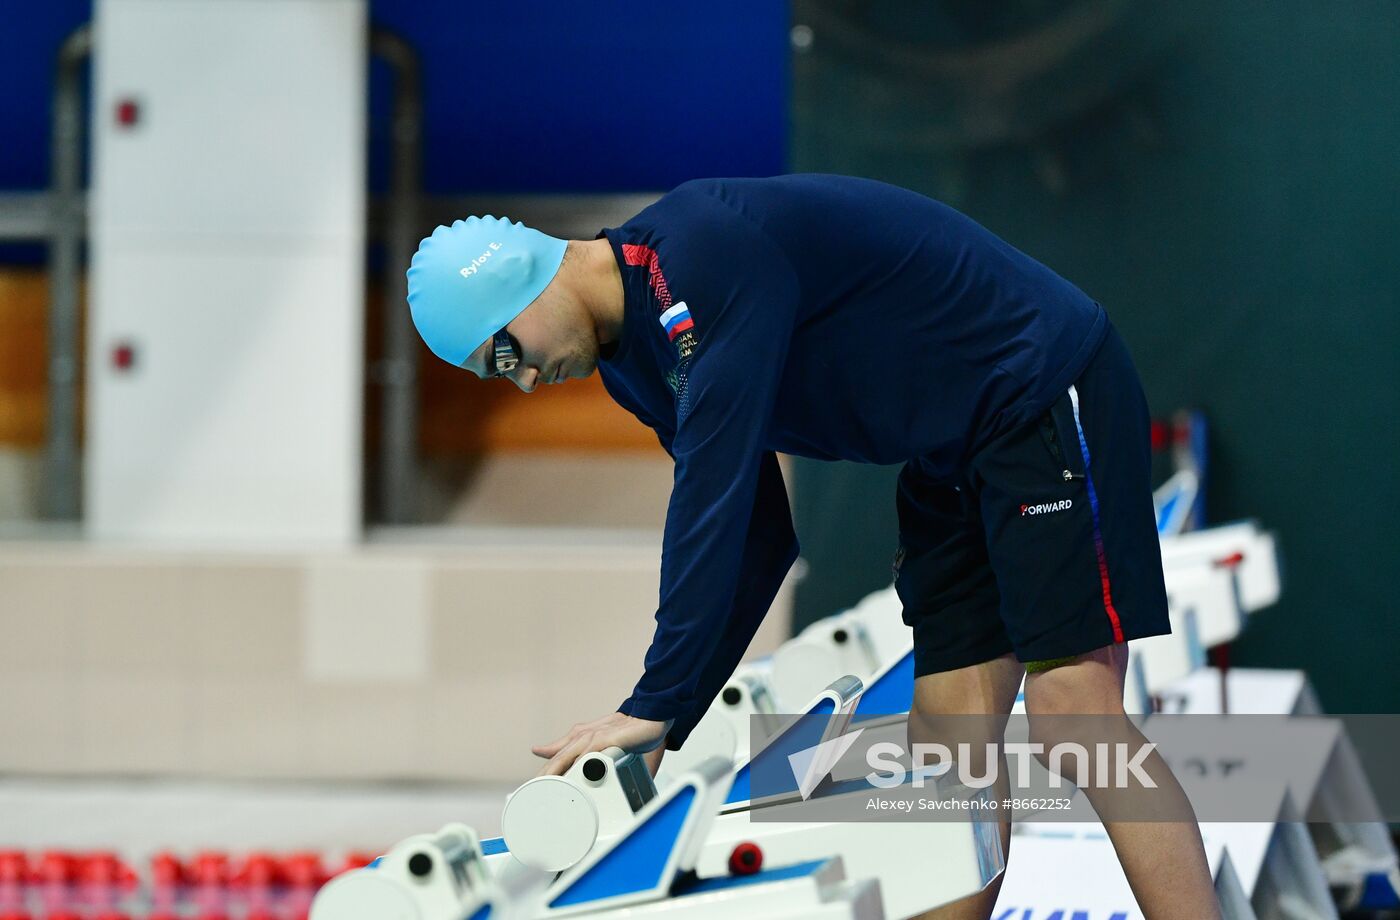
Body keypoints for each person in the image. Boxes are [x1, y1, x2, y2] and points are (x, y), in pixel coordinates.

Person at [406, 174, 1221, 919]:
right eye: (494, 376)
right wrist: (669, 722)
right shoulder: (634, 365)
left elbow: (712, 501)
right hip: (949, 451)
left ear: (523, 281)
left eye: (505, 352)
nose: (520, 380)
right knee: (947, 752)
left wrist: (652, 702)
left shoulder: (699, 252)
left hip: (1037, 387)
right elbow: (760, 537)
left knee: (1074, 718)